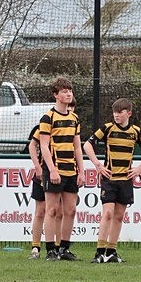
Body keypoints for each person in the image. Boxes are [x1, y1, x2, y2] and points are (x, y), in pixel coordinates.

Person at [82, 98, 141, 263]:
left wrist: (139, 168)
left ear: (128, 113)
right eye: (114, 112)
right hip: (110, 179)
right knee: (107, 214)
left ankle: (112, 251)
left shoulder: (135, 131)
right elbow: (87, 145)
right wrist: (98, 165)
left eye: (120, 112)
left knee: (119, 216)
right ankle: (99, 252)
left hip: (126, 181)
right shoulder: (107, 128)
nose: (116, 115)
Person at [39, 78, 83, 261]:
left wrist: (81, 170)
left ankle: (64, 248)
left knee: (71, 210)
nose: (68, 94)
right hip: (54, 169)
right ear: (56, 95)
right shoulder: (48, 118)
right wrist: (52, 170)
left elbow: (77, 146)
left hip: (70, 170)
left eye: (70, 90)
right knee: (52, 210)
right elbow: (43, 146)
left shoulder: (74, 118)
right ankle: (50, 249)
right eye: (64, 91)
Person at [25, 122, 46, 260]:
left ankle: (58, 248)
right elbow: (32, 145)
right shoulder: (47, 123)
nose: (70, 110)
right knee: (40, 211)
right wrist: (38, 168)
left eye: (72, 108)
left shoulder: (73, 125)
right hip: (44, 174)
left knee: (59, 212)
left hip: (64, 174)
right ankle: (35, 247)